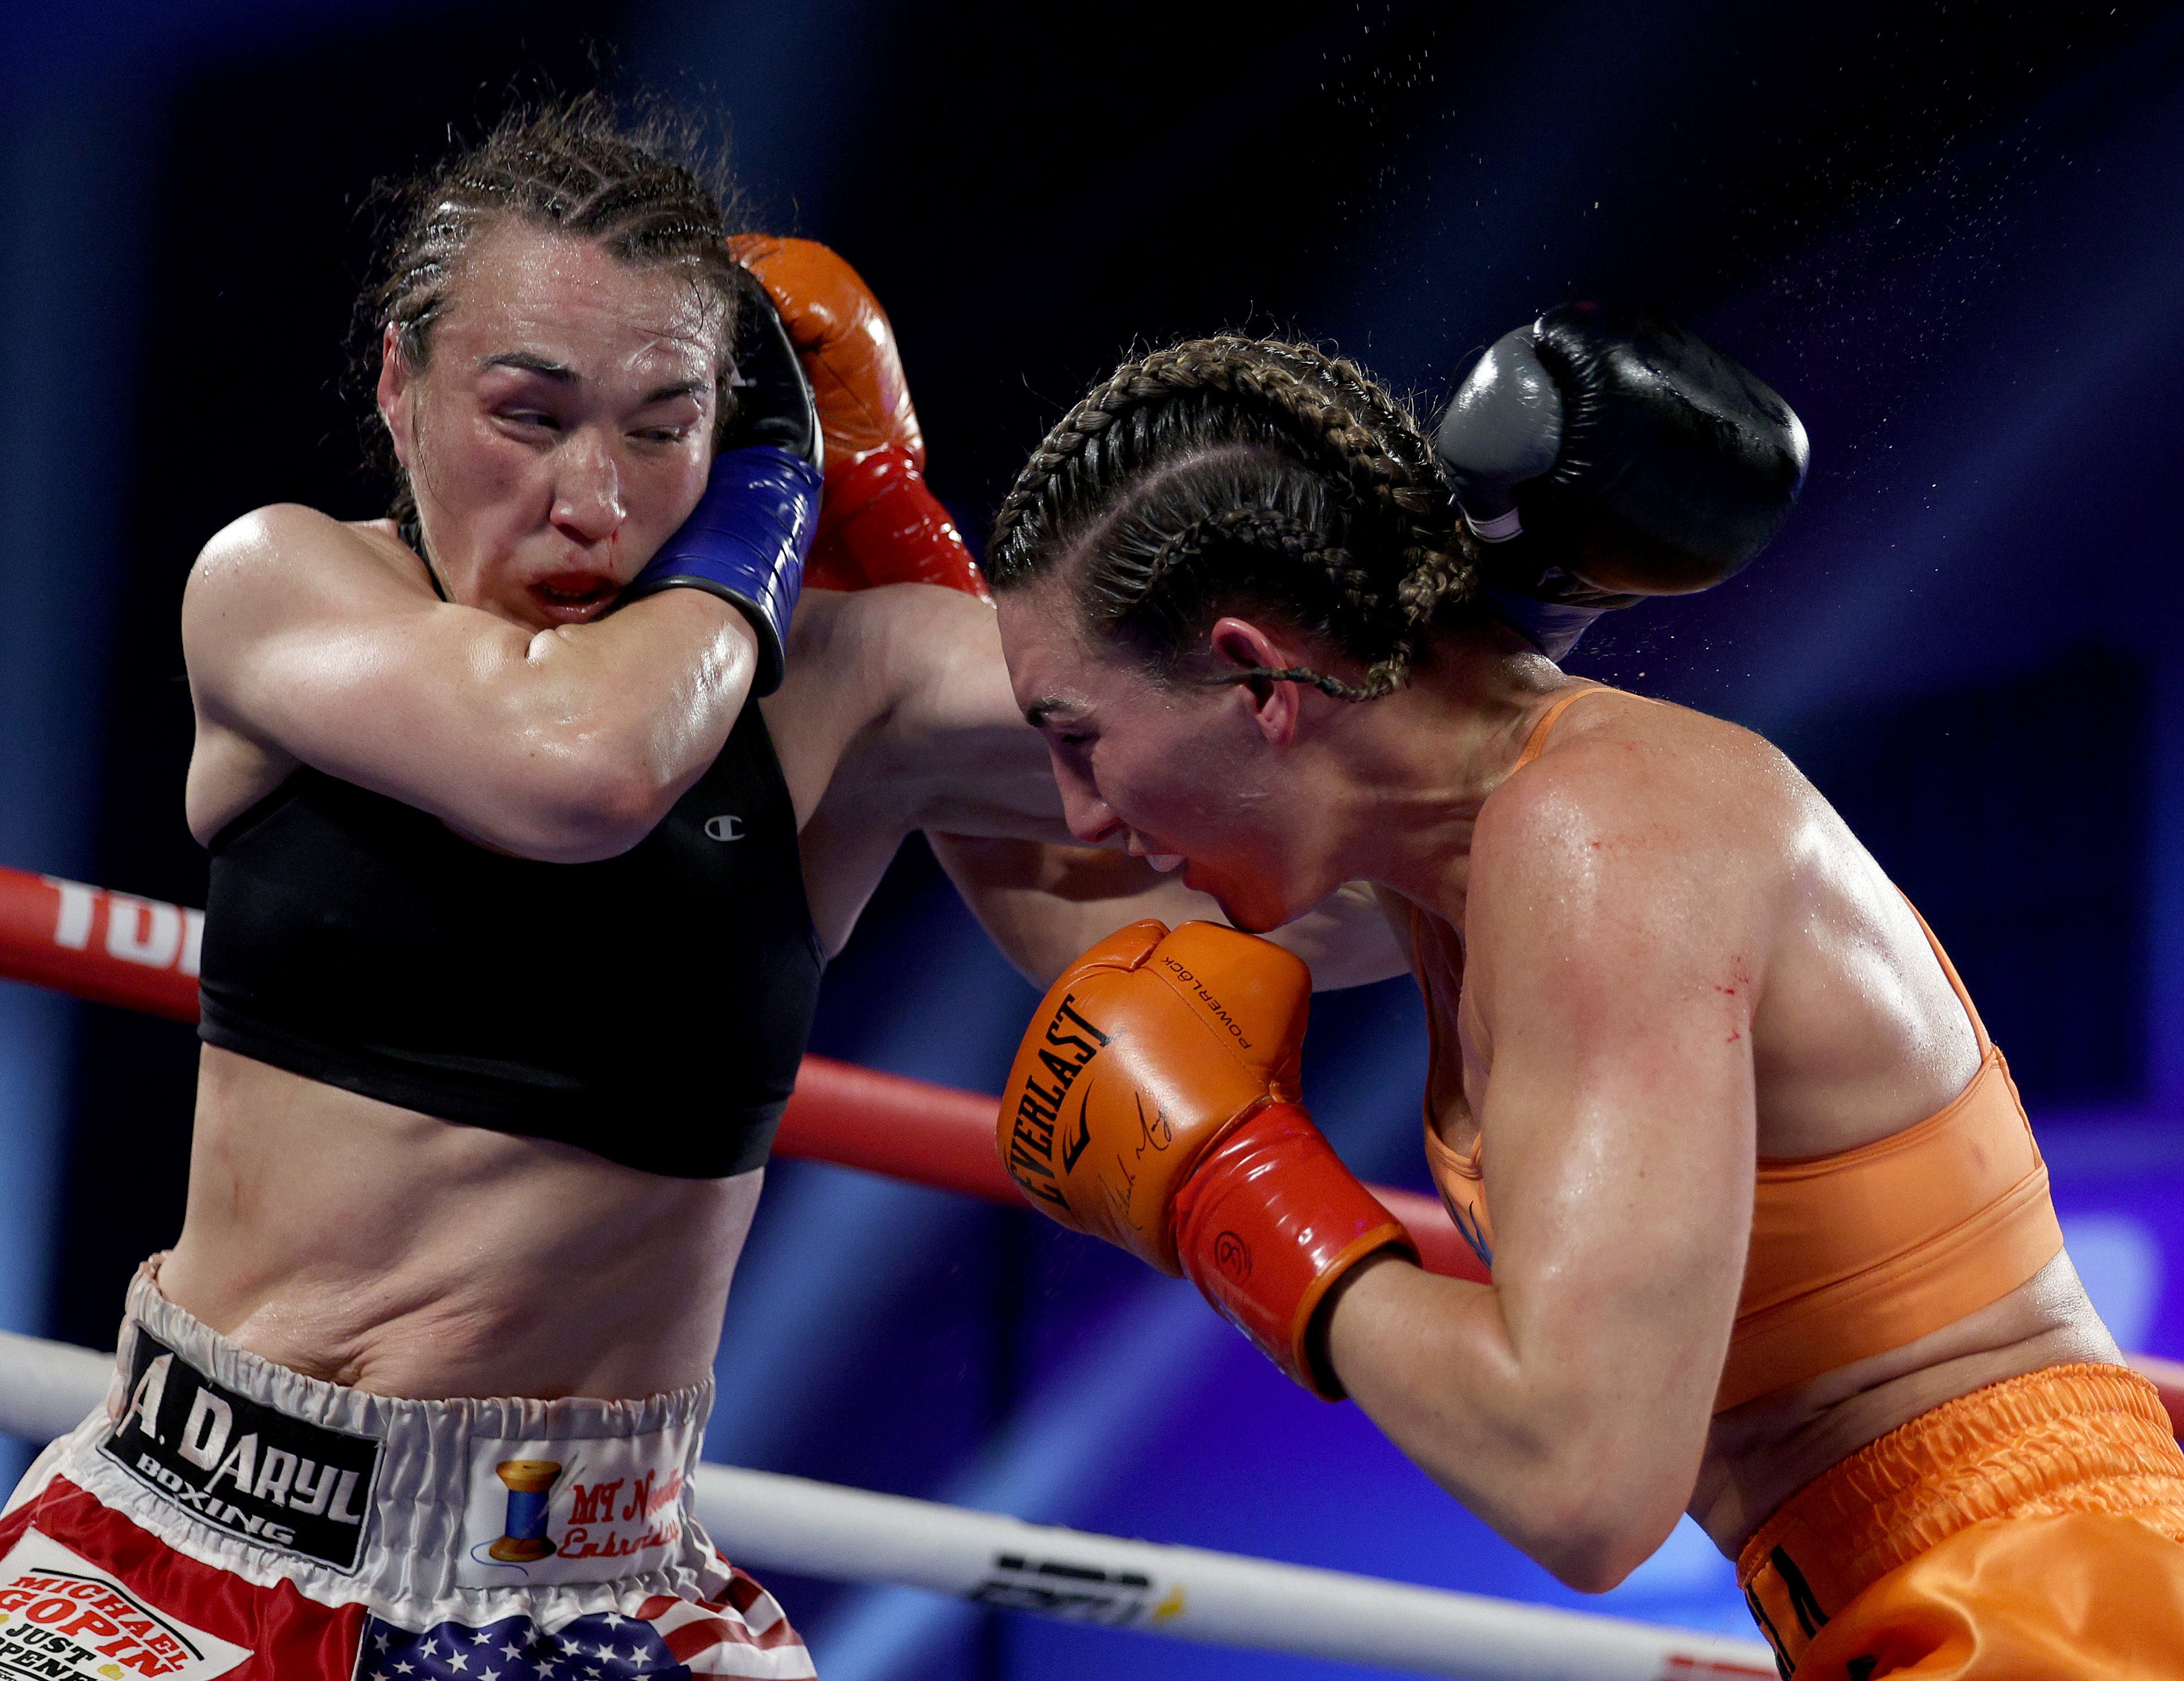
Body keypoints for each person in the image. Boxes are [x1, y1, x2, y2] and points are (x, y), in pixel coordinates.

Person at [0, 101, 1369, 1680]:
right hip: (185, 1549)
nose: (591, 499)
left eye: (663, 430)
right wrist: (768, 505)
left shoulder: (844, 692)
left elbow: (1328, 847)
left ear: (725, 422)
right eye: (529, 417)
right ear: (401, 385)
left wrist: (1533, 574)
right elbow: (577, 766)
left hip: (595, 1589)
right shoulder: (285, 583)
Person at [980, 317, 2184, 1677]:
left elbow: (1586, 1481)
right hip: (1942, 1598)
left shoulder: (1598, 840)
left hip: (2052, 1601)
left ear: (1260, 677)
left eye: (1078, 743)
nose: (1081, 815)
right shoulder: (1449, 863)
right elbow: (1096, 965)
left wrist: (1236, 1195)